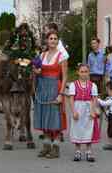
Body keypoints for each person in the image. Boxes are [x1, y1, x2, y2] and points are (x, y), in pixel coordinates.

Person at [34, 31, 68, 159]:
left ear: (57, 41)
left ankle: (56, 147)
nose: (53, 41)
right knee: (44, 116)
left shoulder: (61, 56)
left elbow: (65, 77)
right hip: (43, 87)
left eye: (55, 39)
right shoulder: (42, 55)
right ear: (47, 41)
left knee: (55, 117)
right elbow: (38, 71)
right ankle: (46, 145)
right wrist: (36, 71)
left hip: (55, 87)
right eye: (51, 38)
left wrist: (61, 94)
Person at [68, 64, 100, 162]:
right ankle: (77, 151)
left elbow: (94, 99)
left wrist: (93, 110)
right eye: (82, 71)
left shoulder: (93, 85)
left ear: (88, 72)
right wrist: (73, 111)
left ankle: (88, 151)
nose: (84, 74)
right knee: (77, 129)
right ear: (78, 72)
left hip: (88, 108)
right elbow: (71, 99)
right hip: (78, 108)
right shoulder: (73, 85)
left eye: (86, 71)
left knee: (88, 129)